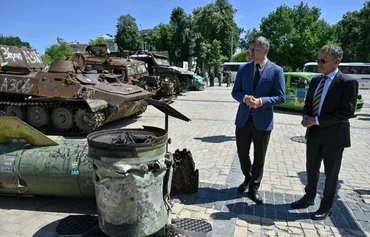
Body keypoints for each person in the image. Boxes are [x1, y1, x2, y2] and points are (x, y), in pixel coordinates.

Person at [290, 45, 358, 220]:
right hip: (314, 134)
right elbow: (308, 103)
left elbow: (347, 112)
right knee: (311, 168)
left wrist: (317, 120)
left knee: (331, 173)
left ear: (337, 61)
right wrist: (306, 116)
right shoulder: (315, 81)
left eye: (323, 60)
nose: (318, 64)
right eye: (318, 59)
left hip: (335, 137)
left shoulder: (347, 83)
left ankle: (326, 206)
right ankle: (308, 197)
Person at [231, 36, 285, 204]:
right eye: (251, 48)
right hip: (243, 120)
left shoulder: (276, 70)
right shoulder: (243, 69)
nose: (251, 52)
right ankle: (247, 178)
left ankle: (254, 187)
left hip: (263, 121)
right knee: (242, 154)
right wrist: (244, 98)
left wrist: (261, 101)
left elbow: (281, 97)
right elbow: (235, 92)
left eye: (255, 49)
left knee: (259, 157)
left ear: (265, 51)